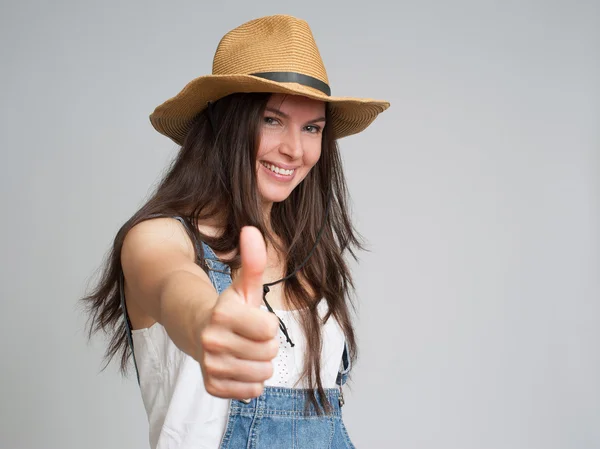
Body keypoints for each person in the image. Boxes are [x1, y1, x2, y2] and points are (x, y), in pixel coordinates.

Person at [81, 14, 389, 449]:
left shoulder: (312, 259)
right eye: (271, 120)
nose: (295, 150)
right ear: (226, 124)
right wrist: (208, 323)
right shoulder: (159, 240)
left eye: (312, 128)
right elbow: (177, 288)